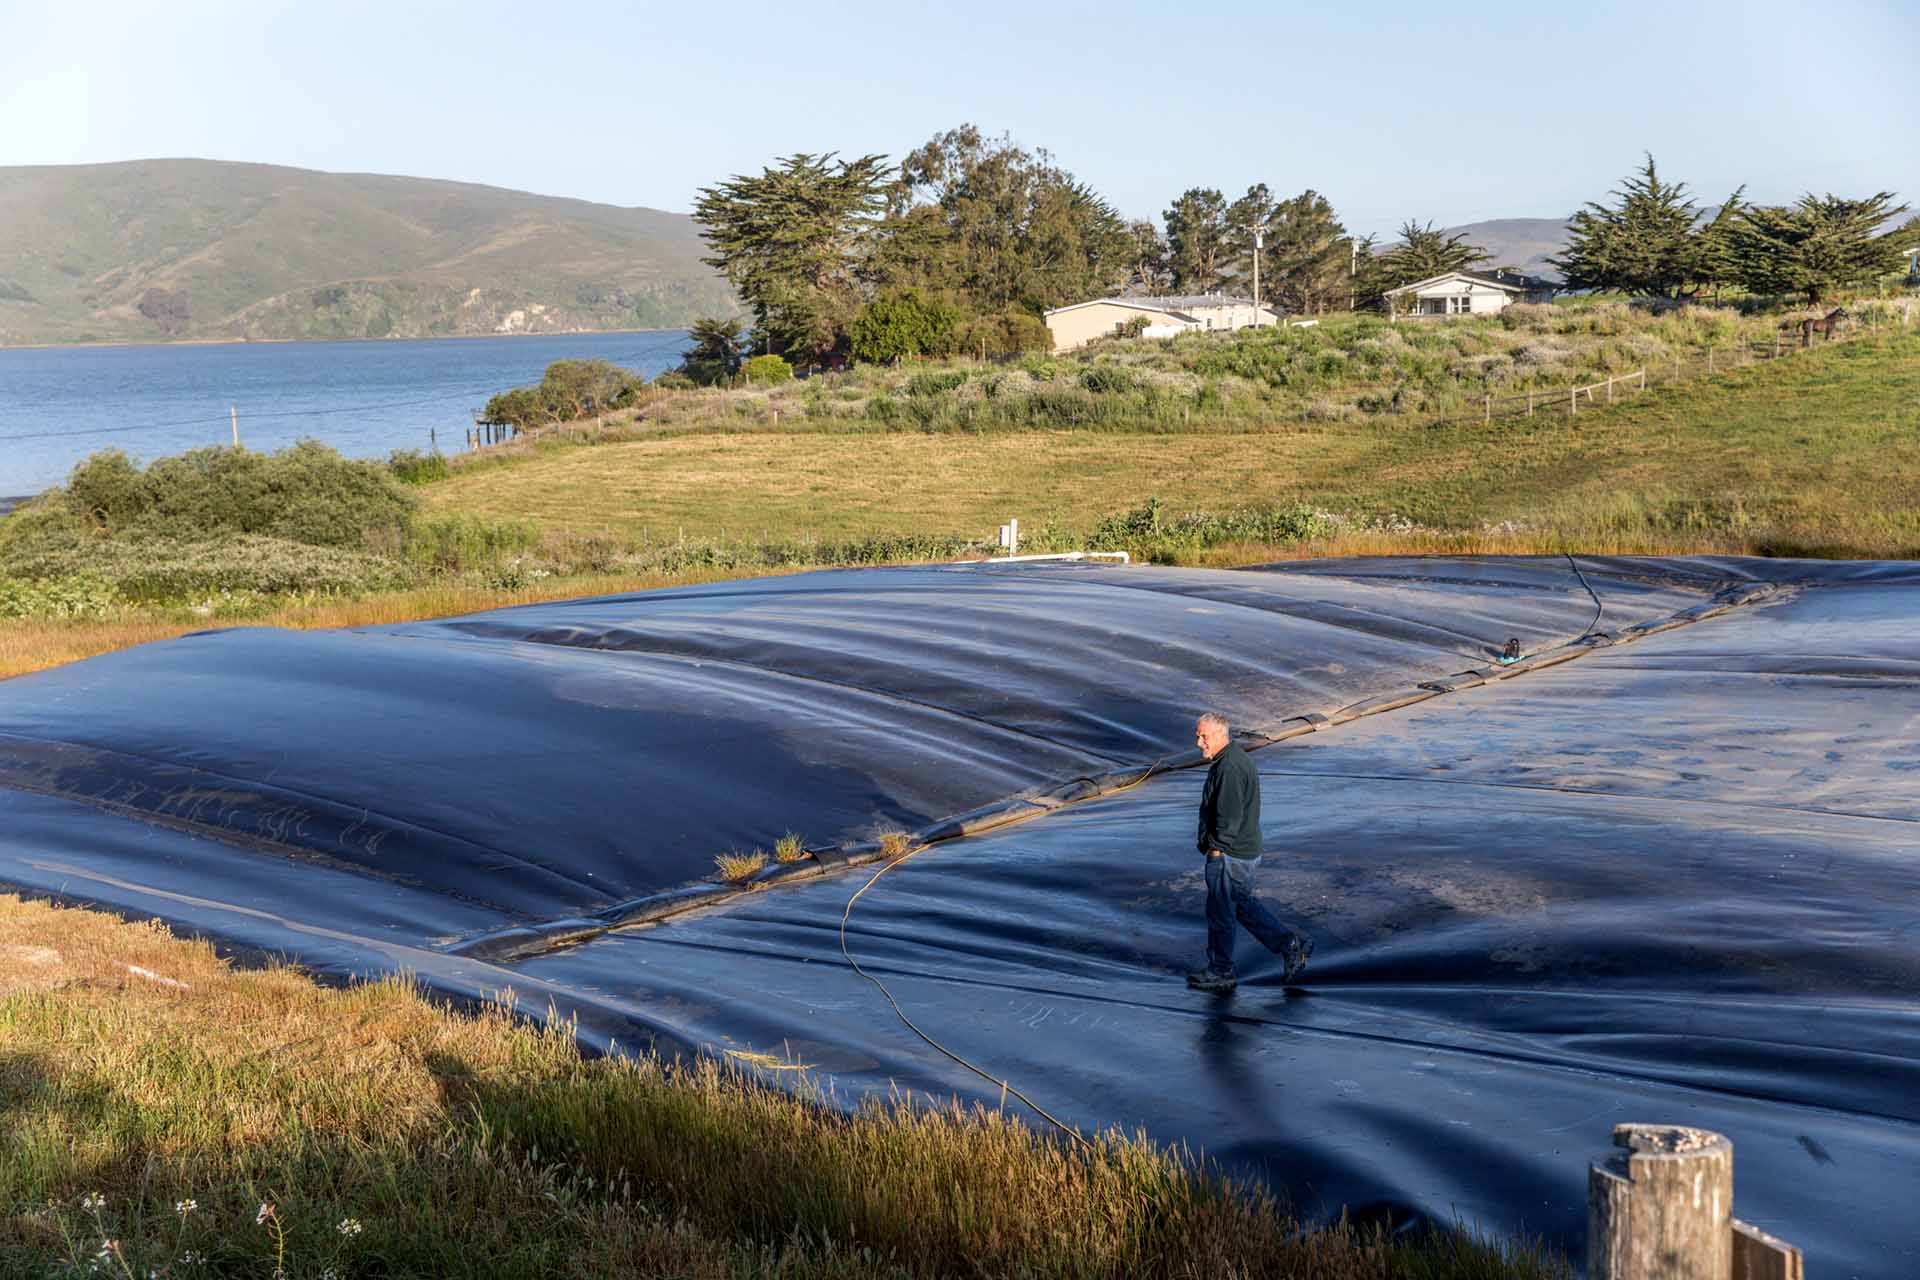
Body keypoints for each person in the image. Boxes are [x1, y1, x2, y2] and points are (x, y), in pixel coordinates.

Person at [1187, 712, 1312, 994]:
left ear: (1221, 735)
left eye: (1203, 736)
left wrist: (1216, 849)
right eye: (1198, 736)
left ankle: (1221, 971)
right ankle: (1290, 945)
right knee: (1241, 906)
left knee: (1221, 912)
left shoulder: (1229, 768)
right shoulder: (1232, 760)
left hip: (1230, 855)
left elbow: (1228, 818)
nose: (1199, 743)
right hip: (1243, 852)